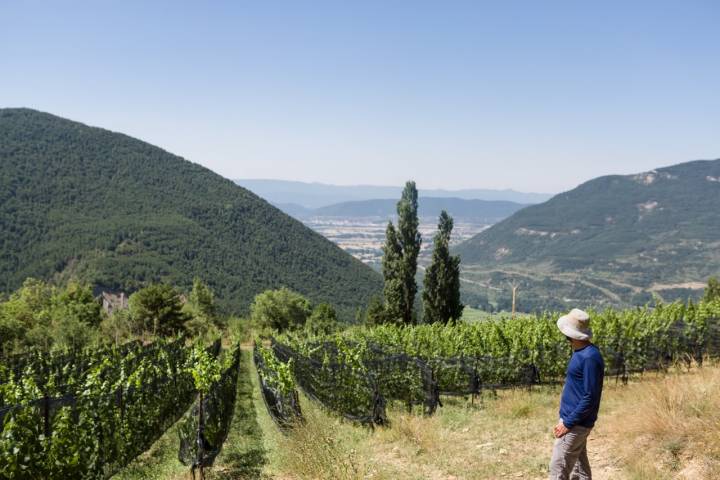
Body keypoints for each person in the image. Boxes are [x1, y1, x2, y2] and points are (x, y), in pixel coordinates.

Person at [549, 308, 605, 480]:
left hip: (575, 424)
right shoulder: (581, 352)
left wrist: (568, 423)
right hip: (574, 420)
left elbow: (590, 396)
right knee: (579, 472)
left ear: (571, 335)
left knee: (558, 470)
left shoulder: (589, 357)